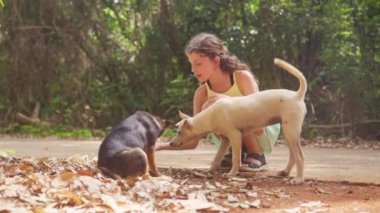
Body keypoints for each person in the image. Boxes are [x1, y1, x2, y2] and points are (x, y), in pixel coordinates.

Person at [156, 33, 281, 171]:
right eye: (191, 64)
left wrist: (227, 101)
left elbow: (260, 122)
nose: (193, 70)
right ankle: (234, 154)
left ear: (216, 61)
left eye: (198, 64)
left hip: (260, 131)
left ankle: (256, 154)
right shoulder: (201, 93)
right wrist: (159, 146)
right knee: (211, 113)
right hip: (233, 136)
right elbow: (193, 139)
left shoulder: (242, 77)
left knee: (223, 109)